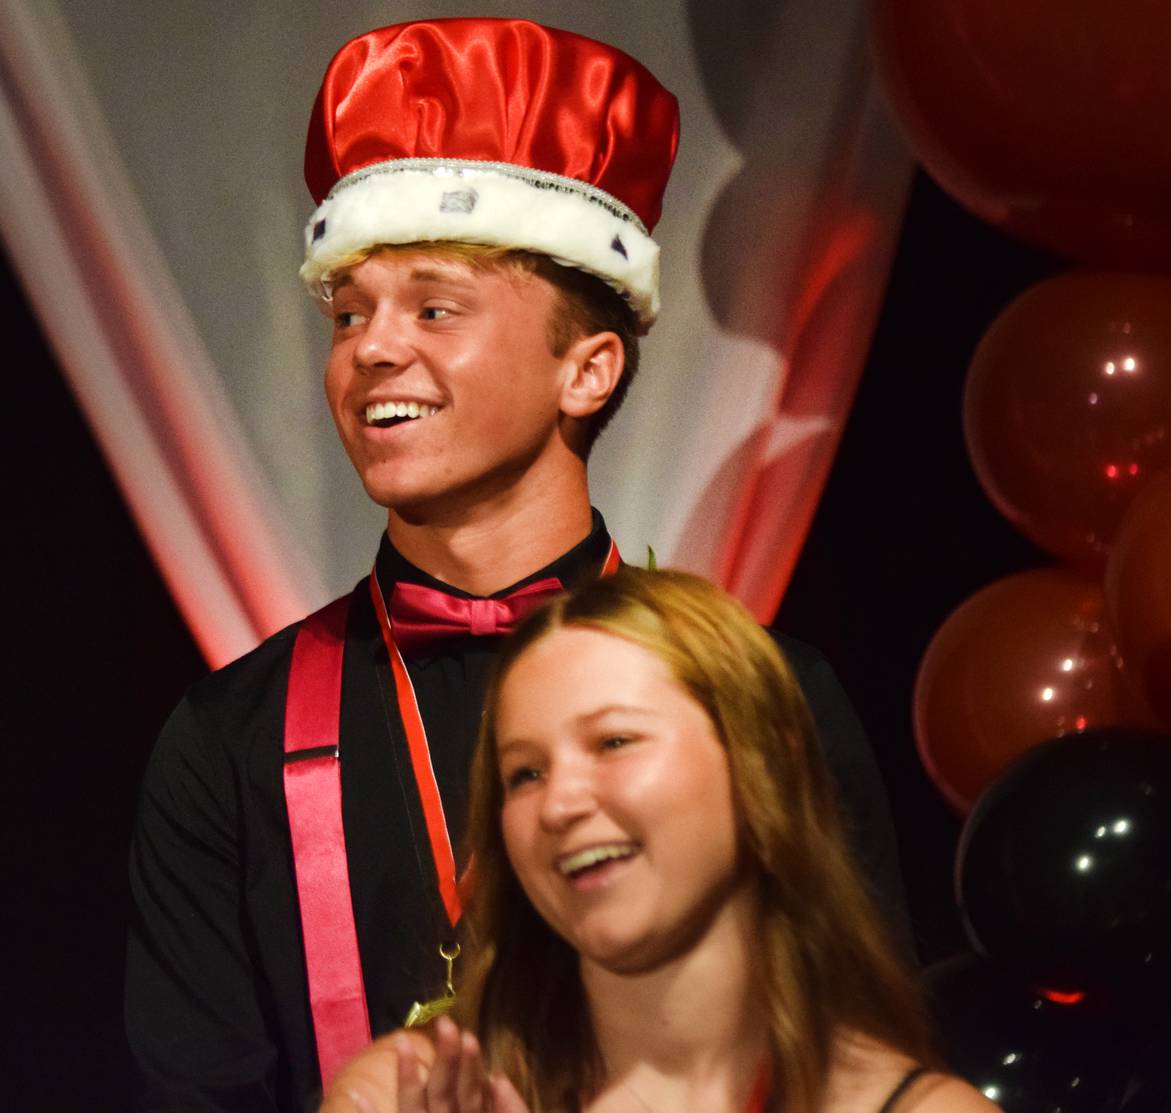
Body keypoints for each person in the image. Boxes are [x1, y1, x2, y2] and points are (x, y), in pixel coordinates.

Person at [124, 19, 907, 1112]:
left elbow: (861, 1059)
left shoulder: (765, 702)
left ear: (588, 369)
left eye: (434, 306)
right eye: (348, 314)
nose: (371, 349)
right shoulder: (227, 743)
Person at [318, 569, 995, 1113]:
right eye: (524, 772)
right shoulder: (405, 1096)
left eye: (613, 741)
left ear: (761, 758)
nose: (559, 801)